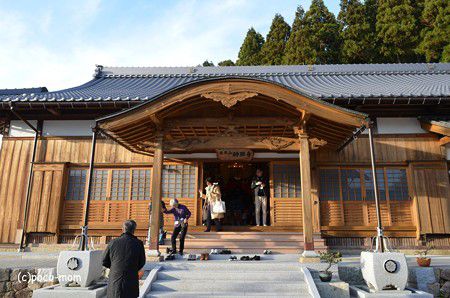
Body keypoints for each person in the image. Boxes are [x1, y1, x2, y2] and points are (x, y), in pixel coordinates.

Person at [102, 220, 146, 298]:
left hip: (115, 279)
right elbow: (142, 262)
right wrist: (132, 268)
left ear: (122, 229)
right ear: (134, 230)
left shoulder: (113, 242)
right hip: (131, 278)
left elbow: (104, 261)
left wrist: (115, 267)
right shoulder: (138, 243)